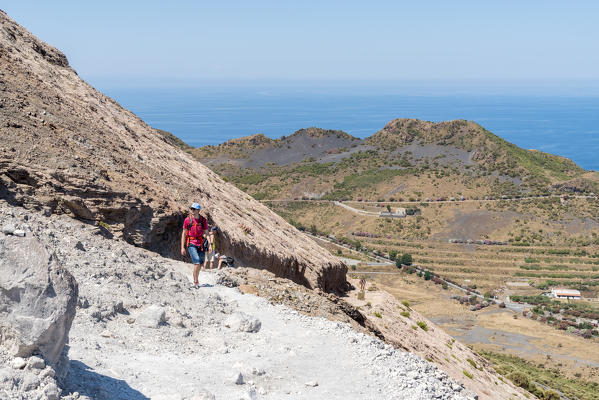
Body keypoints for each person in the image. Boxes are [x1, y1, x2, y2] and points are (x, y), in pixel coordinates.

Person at [181, 202, 209, 287]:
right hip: (191, 243)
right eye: (191, 209)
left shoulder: (202, 220)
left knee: (200, 263)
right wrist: (182, 247)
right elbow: (184, 234)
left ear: (198, 210)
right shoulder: (187, 220)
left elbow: (206, 232)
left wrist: (205, 235)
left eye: (194, 209)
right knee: (197, 262)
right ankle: (196, 281)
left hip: (201, 244)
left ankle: (195, 275)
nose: (192, 210)